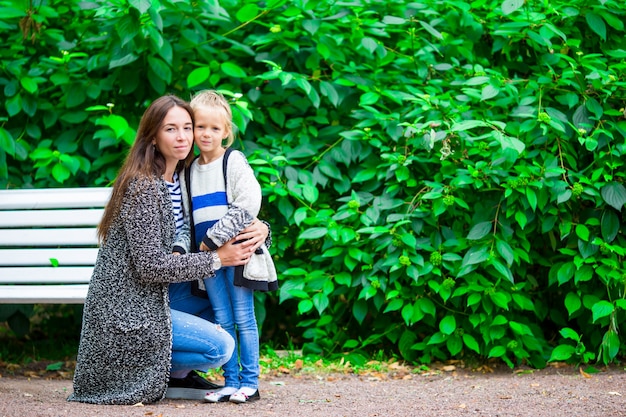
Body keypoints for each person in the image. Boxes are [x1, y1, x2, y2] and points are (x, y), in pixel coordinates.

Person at [67, 95, 262, 405]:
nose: (183, 136)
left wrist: (262, 228)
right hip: (127, 309)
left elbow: (223, 210)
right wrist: (216, 258)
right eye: (171, 129)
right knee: (220, 347)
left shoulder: (182, 178)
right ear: (153, 136)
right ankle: (155, 371)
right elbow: (150, 266)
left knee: (222, 299)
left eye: (188, 127)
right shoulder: (144, 186)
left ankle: (178, 373)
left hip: (159, 295)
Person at [179, 90, 278, 404]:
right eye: (200, 127)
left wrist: (212, 241)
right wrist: (187, 250)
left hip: (236, 254)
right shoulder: (189, 170)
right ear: (191, 128)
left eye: (215, 128)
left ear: (226, 132)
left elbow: (248, 204)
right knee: (222, 317)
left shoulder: (231, 161)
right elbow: (184, 218)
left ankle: (250, 382)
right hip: (207, 260)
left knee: (243, 317)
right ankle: (230, 381)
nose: (206, 134)